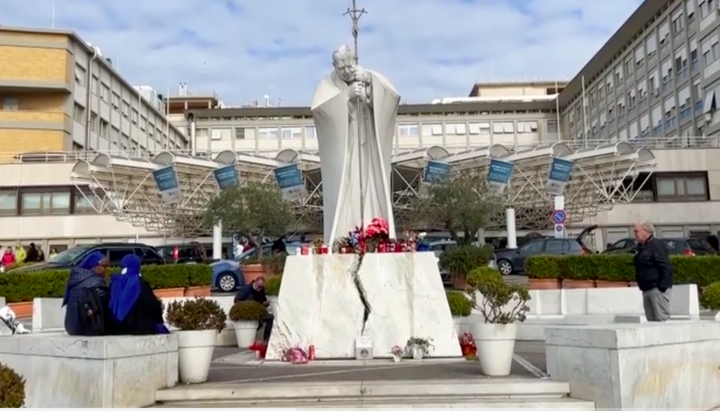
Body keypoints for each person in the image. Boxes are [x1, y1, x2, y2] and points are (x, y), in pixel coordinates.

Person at [109, 254, 168, 335]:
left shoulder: (115, 282)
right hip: (139, 328)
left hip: (116, 329)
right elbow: (152, 305)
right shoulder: (140, 283)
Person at [62, 252, 113, 335]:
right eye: (104, 266)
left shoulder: (76, 278)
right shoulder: (96, 281)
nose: (107, 269)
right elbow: (105, 306)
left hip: (71, 327)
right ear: (94, 266)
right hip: (88, 327)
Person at [632, 221, 673, 322]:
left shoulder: (656, 246)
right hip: (646, 289)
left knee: (661, 319)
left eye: (636, 231)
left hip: (656, 289)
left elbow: (666, 267)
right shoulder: (642, 247)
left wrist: (661, 287)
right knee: (651, 321)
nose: (635, 234)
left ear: (645, 231)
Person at [234, 277, 273, 342]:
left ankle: (266, 340)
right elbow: (237, 300)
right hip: (247, 311)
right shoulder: (246, 289)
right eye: (259, 286)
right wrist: (247, 305)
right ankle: (247, 337)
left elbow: (262, 300)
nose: (259, 288)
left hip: (258, 311)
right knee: (258, 323)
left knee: (270, 318)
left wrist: (265, 303)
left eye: (261, 286)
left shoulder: (261, 289)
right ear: (255, 282)